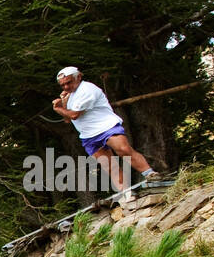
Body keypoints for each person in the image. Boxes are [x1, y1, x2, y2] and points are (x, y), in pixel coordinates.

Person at [52, 65, 159, 195]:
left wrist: (58, 109)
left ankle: (150, 174)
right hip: (87, 135)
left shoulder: (88, 89)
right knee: (108, 165)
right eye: (62, 85)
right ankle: (127, 193)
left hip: (106, 127)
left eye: (68, 83)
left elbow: (74, 115)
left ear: (78, 77)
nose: (66, 87)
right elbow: (68, 119)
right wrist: (63, 104)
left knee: (123, 150)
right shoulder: (70, 95)